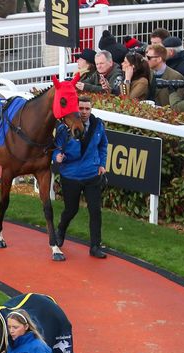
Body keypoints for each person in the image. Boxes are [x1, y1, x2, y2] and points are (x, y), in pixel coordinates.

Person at [53, 94, 108, 259]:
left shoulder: (98, 125)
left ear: (91, 109)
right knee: (71, 209)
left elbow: (103, 144)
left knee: (95, 211)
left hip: (92, 175)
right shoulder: (64, 128)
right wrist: (56, 156)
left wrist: (102, 164)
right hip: (71, 176)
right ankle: (61, 230)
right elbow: (56, 148)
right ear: (76, 109)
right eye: (81, 108)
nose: (84, 112)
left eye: (87, 109)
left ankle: (95, 246)